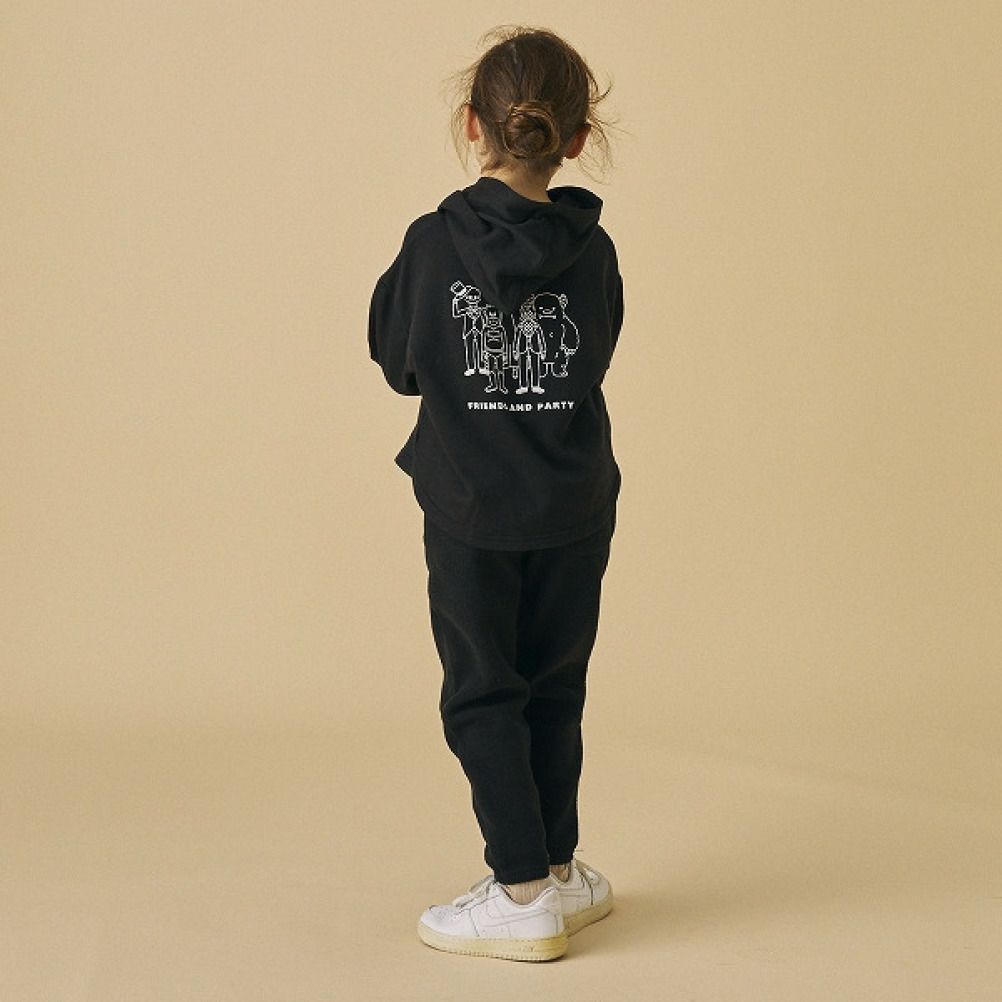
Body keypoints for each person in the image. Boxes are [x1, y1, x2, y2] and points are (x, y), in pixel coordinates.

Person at [367, 25, 623, 962]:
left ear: (472, 123)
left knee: (484, 694)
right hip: (573, 506)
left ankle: (520, 890)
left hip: (472, 510)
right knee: (555, 684)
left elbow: (397, 361)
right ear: (576, 138)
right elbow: (595, 354)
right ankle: (557, 869)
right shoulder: (593, 251)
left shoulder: (432, 244)